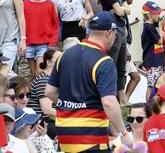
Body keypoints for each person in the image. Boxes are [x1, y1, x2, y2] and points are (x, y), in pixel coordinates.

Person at [45, 11, 134, 152]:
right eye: (116, 35)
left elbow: (49, 91)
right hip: (90, 137)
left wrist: (71, 106)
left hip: (64, 134)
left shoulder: (64, 55)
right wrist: (124, 132)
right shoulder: (104, 61)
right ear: (109, 33)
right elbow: (109, 102)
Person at [98, 0, 130, 104]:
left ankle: (121, 98)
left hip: (121, 29)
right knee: (112, 64)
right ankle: (110, 96)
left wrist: (122, 10)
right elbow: (120, 10)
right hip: (113, 30)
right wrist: (122, 10)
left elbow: (125, 9)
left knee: (121, 66)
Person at [23, 0, 58, 78]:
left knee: (40, 72)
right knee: (33, 74)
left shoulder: (49, 4)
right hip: (29, 43)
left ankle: (43, 93)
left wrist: (52, 43)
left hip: (43, 43)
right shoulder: (25, 4)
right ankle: (36, 93)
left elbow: (55, 25)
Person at [0, 0, 26, 76]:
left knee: (4, 72)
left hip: (10, 38)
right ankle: (17, 91)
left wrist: (23, 39)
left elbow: (21, 16)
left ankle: (20, 90)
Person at [141, 1, 165, 99]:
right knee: (151, 85)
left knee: (156, 84)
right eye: (157, 13)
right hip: (152, 61)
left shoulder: (151, 27)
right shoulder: (149, 27)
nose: (159, 14)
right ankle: (148, 105)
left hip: (156, 60)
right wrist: (160, 27)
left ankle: (153, 104)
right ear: (150, 14)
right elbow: (160, 41)